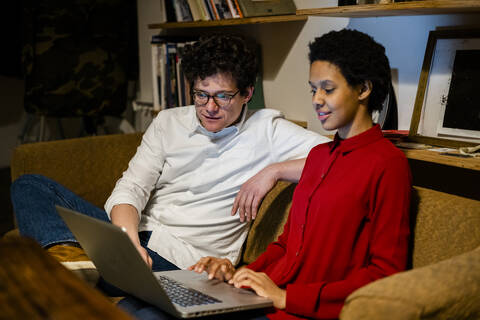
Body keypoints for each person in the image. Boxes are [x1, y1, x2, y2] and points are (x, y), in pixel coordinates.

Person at [10, 34, 327, 274]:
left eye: (222, 97)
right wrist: (128, 241)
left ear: (246, 94)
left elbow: (347, 156)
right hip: (135, 237)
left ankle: (67, 270)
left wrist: (274, 171)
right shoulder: (168, 122)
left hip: (183, 261)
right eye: (201, 95)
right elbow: (132, 187)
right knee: (29, 185)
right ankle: (72, 263)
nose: (209, 107)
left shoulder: (267, 130)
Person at [187, 29, 412, 320]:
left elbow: (386, 275)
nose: (317, 99)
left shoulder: (388, 164)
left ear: (363, 89)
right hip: (267, 302)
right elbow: (286, 246)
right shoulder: (318, 157)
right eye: (313, 89)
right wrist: (239, 275)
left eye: (328, 89)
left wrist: (286, 297)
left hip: (306, 311)